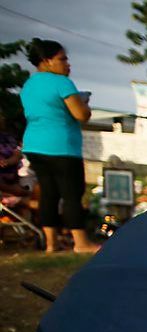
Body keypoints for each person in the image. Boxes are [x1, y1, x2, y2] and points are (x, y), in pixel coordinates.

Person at [20, 38, 99, 253]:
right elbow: (81, 115)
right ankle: (81, 243)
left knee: (49, 194)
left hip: (34, 145)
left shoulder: (29, 84)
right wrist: (84, 104)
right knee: (72, 194)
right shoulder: (62, 83)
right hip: (61, 147)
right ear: (46, 61)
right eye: (62, 59)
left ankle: (51, 244)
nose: (68, 64)